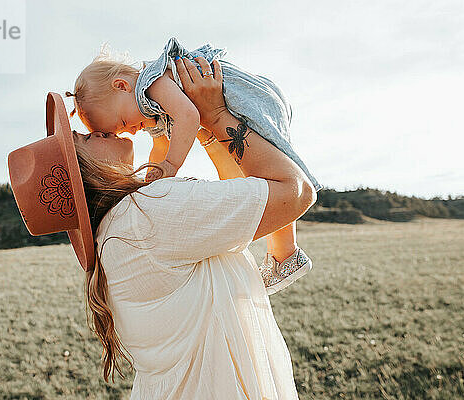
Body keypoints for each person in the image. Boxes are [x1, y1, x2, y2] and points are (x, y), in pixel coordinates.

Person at [68, 56, 316, 399]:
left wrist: (205, 129)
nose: (95, 131)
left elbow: (242, 195)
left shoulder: (121, 227)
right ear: (86, 172)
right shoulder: (146, 214)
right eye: (83, 140)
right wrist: (214, 116)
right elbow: (295, 192)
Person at [68, 37, 321, 295]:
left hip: (243, 95)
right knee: (260, 176)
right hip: (230, 104)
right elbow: (161, 146)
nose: (129, 132)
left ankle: (285, 253)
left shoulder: (151, 83)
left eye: (122, 122)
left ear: (121, 85)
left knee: (271, 169)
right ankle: (284, 254)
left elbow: (189, 117)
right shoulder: (151, 110)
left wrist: (170, 165)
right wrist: (152, 178)